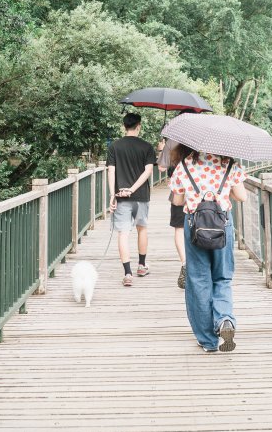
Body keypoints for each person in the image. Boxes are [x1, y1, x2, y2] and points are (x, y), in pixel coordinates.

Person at [168, 145, 248, 353]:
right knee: (222, 278)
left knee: (199, 280)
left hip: (195, 226)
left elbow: (177, 200)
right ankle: (224, 320)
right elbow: (242, 197)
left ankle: (208, 341)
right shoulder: (229, 165)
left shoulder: (184, 166)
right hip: (222, 226)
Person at [106, 112, 156, 286]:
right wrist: (133, 189)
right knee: (142, 229)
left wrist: (113, 194)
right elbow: (148, 171)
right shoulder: (147, 147)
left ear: (124, 126)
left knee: (123, 233)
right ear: (139, 126)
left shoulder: (114, 146)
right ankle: (142, 265)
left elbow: (111, 171)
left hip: (120, 197)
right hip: (141, 196)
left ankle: (127, 274)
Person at [157, 110, 194, 289]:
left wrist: (162, 149)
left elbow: (162, 168)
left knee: (179, 228)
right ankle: (198, 262)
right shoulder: (201, 140)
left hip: (180, 190)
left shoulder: (172, 140)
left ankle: (185, 262)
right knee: (199, 224)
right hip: (200, 191)